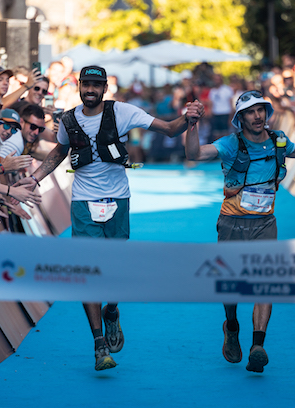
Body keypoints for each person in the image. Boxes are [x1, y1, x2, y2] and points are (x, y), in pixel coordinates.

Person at [22, 65, 204, 371]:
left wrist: (190, 117)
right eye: (86, 84)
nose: (90, 89)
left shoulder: (123, 112)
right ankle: (98, 344)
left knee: (117, 269)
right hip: (83, 203)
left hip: (117, 201)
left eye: (96, 85)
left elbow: (170, 129)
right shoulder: (68, 119)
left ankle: (112, 310)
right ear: (79, 86)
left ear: (105, 88)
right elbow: (59, 153)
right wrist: (35, 178)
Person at [184, 90, 295, 372]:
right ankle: (232, 324)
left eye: (261, 109)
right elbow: (194, 153)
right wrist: (192, 124)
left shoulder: (278, 141)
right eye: (251, 111)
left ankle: (258, 345)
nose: (258, 115)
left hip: (265, 223)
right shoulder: (230, 144)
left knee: (266, 282)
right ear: (241, 118)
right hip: (232, 222)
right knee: (232, 285)